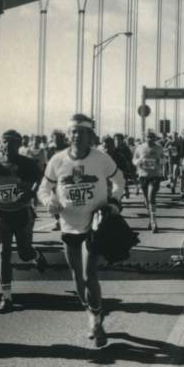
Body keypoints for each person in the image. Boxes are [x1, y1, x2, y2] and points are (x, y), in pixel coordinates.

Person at [38, 114, 125, 347]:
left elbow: (120, 181)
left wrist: (114, 202)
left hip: (94, 224)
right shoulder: (57, 160)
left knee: (89, 274)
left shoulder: (101, 158)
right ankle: (92, 311)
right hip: (68, 226)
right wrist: (49, 202)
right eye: (73, 131)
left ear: (90, 136)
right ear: (68, 135)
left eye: (82, 132)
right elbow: (43, 189)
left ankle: (97, 322)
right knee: (77, 279)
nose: (76, 135)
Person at [0, 129, 48, 312]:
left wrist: (30, 191)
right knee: (3, 252)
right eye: (4, 142)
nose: (7, 145)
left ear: (19, 145)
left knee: (25, 253)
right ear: (0, 144)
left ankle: (36, 256)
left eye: (12, 142)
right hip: (2, 213)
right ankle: (6, 298)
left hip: (22, 213)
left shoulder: (26, 163)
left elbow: (41, 179)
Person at [133, 130, 166, 232]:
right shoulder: (140, 147)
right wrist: (140, 161)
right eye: (148, 137)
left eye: (152, 137)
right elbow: (134, 160)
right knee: (147, 200)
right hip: (143, 175)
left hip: (155, 175)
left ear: (155, 138)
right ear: (145, 138)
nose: (150, 139)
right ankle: (150, 218)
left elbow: (164, 160)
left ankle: (153, 222)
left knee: (152, 197)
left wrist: (159, 161)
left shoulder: (159, 148)